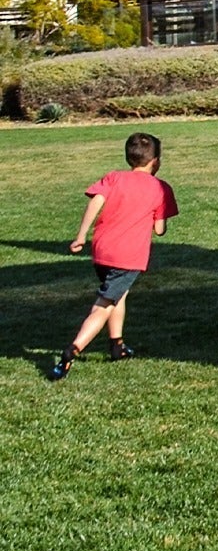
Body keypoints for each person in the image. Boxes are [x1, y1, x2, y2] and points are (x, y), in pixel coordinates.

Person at [48, 131, 178, 381]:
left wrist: (81, 236)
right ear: (156, 161)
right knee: (104, 305)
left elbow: (95, 202)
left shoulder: (114, 177)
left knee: (119, 294)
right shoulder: (160, 188)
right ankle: (71, 351)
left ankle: (117, 345)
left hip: (102, 251)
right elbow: (160, 229)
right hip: (127, 257)